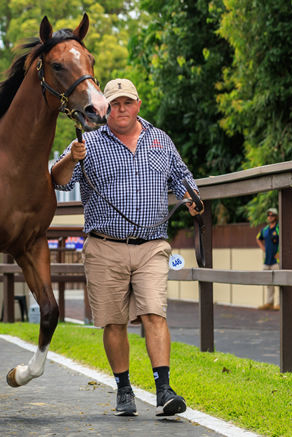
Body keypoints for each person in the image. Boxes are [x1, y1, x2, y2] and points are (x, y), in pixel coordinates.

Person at [51, 78, 203, 417]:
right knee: (114, 322)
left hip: (152, 245)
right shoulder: (87, 142)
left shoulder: (160, 139)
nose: (121, 109)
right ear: (105, 108)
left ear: (137, 105)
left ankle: (164, 389)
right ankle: (123, 388)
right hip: (105, 246)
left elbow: (181, 176)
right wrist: (71, 160)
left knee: (154, 312)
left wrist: (190, 197)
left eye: (127, 103)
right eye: (114, 104)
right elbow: (58, 181)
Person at [256, 208, 280, 310]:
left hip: (276, 261)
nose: (270, 217)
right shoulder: (265, 230)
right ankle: (269, 303)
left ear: (276, 217)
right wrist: (263, 248)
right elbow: (258, 238)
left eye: (272, 215)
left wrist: (280, 253)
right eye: (268, 215)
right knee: (268, 282)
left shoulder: (279, 228)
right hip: (267, 261)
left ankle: (279, 304)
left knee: (279, 282)